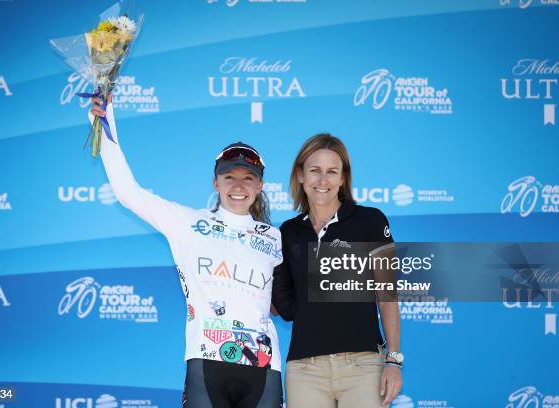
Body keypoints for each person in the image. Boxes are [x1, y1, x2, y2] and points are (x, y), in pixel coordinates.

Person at [90, 96, 283, 408]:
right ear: (215, 182)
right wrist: (103, 120)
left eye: (248, 178)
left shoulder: (274, 237)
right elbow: (127, 192)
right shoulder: (188, 223)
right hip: (206, 359)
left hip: (263, 364)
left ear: (260, 186)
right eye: (229, 176)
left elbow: (285, 299)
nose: (238, 185)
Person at [272, 133, 403, 407]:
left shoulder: (370, 221)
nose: (323, 180)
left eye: (332, 172)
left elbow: (387, 295)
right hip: (304, 370)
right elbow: (285, 304)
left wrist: (393, 360)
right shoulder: (288, 233)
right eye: (315, 171)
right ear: (300, 175)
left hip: (363, 367)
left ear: (343, 178)